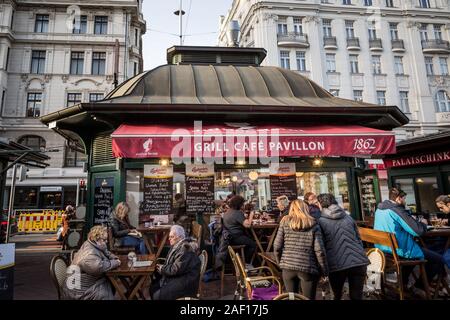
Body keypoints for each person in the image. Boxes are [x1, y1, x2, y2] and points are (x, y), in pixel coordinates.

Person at [374, 188, 445, 294]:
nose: (405, 201)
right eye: (404, 199)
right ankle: (420, 286)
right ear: (398, 198)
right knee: (438, 259)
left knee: (418, 253)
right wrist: (424, 224)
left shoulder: (379, 209)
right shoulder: (397, 210)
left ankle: (403, 284)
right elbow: (418, 231)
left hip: (385, 250)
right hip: (401, 251)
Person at [317, 193, 369, 300]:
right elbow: (358, 240)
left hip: (337, 265)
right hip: (358, 262)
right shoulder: (348, 218)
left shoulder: (321, 221)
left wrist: (322, 267)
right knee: (357, 296)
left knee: (336, 296)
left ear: (321, 204)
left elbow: (321, 246)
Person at [273, 200, 328, 299]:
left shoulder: (284, 221)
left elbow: (277, 246)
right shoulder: (313, 223)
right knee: (308, 298)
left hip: (288, 266)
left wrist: (280, 263)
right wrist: (324, 271)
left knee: (291, 298)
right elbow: (319, 251)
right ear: (305, 209)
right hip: (308, 267)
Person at [62, 225, 121, 300]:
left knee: (108, 283)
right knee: (105, 288)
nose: (106, 242)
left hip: (82, 286)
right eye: (104, 240)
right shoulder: (89, 253)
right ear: (96, 239)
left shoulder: (92, 244)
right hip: (78, 292)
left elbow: (106, 252)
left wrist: (114, 258)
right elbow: (98, 268)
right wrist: (115, 262)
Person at [150, 225, 201, 300]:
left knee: (156, 294)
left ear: (180, 237)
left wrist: (162, 269)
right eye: (169, 236)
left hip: (186, 282)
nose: (169, 239)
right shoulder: (177, 245)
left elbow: (176, 269)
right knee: (153, 287)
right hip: (180, 276)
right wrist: (162, 268)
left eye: (172, 236)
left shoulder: (185, 249)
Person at [222, 195, 257, 265]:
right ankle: (246, 264)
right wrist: (251, 215)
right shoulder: (237, 213)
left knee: (250, 239)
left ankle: (241, 261)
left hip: (228, 238)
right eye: (242, 203)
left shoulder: (228, 212)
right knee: (253, 244)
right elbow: (248, 225)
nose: (243, 205)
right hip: (236, 237)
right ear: (239, 204)